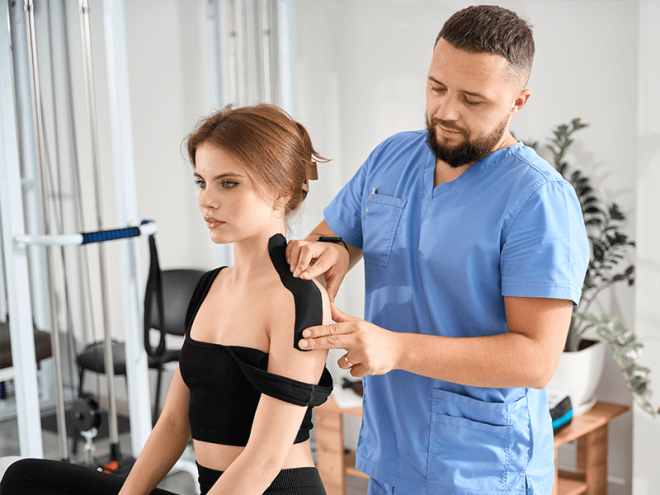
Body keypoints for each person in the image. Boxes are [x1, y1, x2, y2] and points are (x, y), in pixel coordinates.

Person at [286, 5, 590, 495]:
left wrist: (396, 347)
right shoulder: (393, 157)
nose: (446, 111)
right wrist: (333, 253)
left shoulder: (538, 200)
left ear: (518, 101)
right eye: (436, 88)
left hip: (482, 469)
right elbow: (337, 235)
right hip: (391, 449)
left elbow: (536, 360)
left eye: (472, 99)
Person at [0, 103, 333, 495]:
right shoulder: (211, 286)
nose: (207, 200)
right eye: (201, 182)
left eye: (228, 183)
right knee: (24, 478)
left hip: (272, 490)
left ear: (283, 191)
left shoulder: (299, 299)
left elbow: (264, 459)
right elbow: (174, 423)